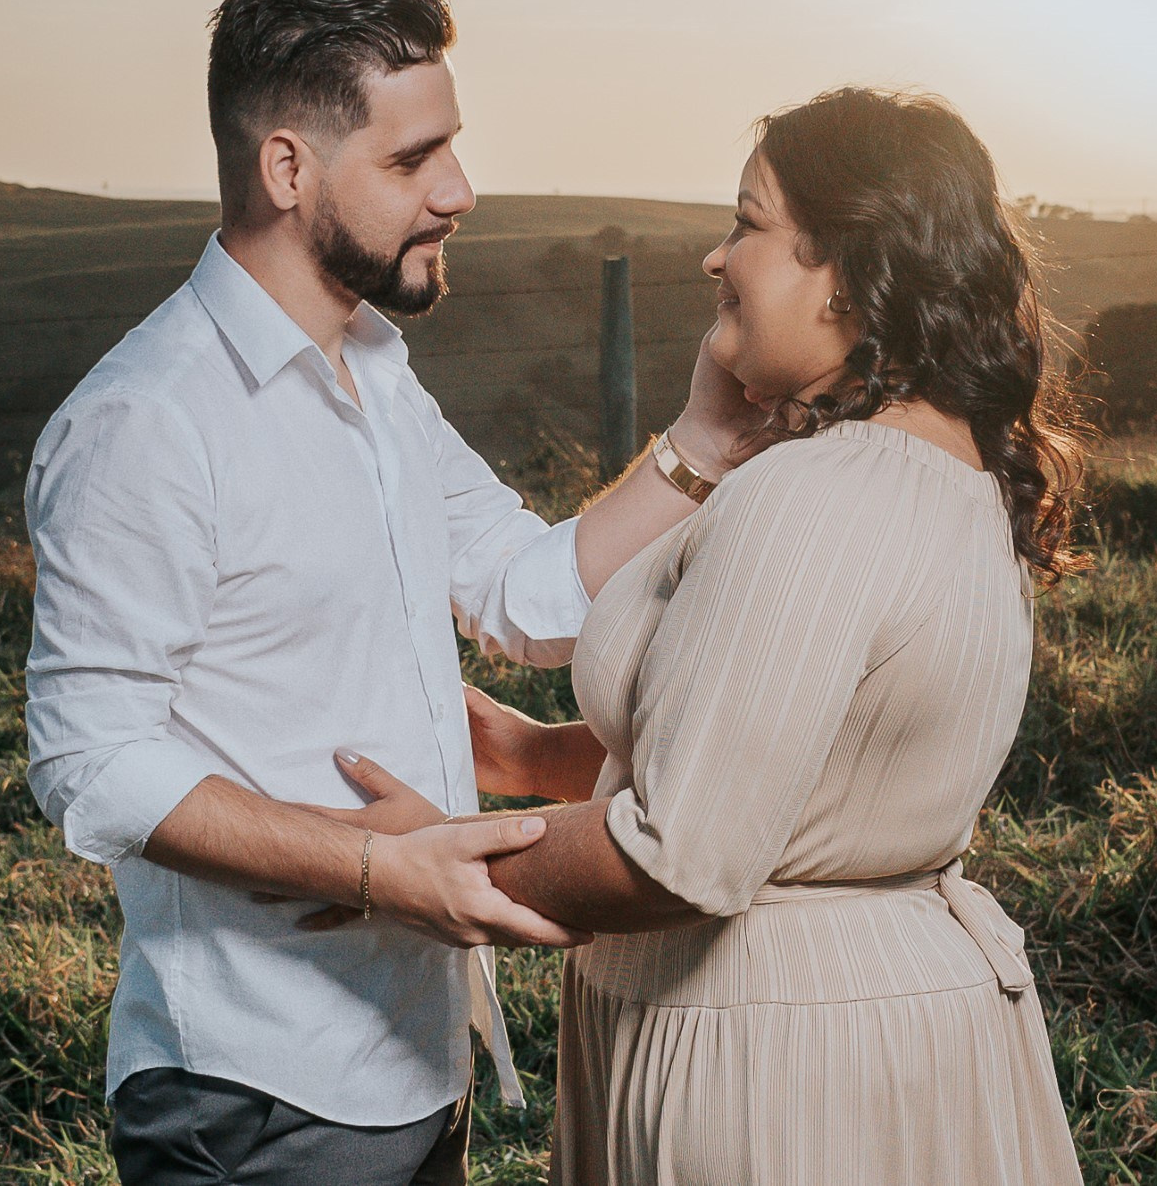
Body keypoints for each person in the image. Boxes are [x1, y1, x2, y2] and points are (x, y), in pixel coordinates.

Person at [22, 0, 764, 1186]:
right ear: (287, 168)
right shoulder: (146, 420)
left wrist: (706, 442)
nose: (460, 190)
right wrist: (379, 869)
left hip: (418, 1054)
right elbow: (89, 760)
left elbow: (525, 595)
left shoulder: (375, 366)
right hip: (257, 1090)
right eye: (414, 158)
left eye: (450, 147)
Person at [449, 87, 1088, 1184]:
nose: (715, 257)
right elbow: (797, 755)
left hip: (771, 1064)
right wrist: (527, 753)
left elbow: (678, 851)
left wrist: (425, 856)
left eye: (746, 223)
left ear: (847, 271)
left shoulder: (813, 497)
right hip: (883, 1034)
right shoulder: (958, 477)